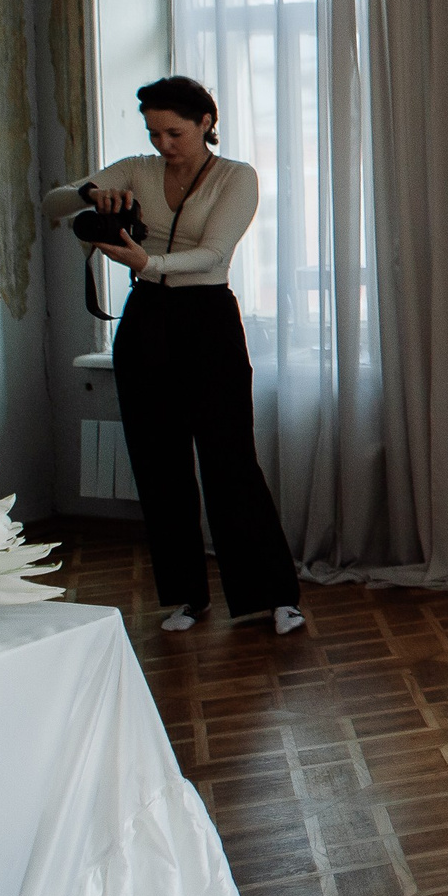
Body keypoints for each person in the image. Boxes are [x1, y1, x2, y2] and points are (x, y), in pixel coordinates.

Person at [45, 77, 304, 636]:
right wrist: (92, 195)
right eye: (154, 132)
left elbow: (214, 254)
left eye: (175, 132)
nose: (164, 144)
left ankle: (276, 596)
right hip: (146, 322)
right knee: (158, 463)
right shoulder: (136, 168)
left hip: (207, 317)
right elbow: (53, 202)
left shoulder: (237, 177)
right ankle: (185, 596)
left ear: (207, 121)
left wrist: (145, 262)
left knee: (229, 459)